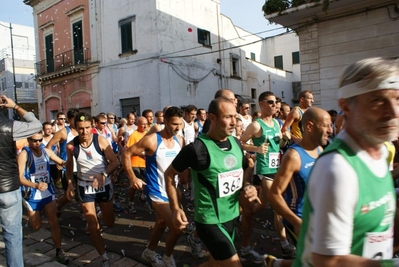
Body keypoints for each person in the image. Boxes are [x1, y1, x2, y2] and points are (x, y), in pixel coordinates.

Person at [293, 57, 399, 267]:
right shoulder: (338, 168)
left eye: (397, 99)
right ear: (346, 106)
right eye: (377, 100)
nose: (393, 112)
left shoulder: (380, 150)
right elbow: (327, 261)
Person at [164, 98, 260, 267]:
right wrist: (176, 208)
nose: (234, 122)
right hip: (210, 221)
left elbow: (244, 171)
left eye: (235, 117)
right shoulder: (196, 149)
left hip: (231, 217)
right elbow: (169, 175)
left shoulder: (236, 143)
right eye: (228, 117)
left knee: (215, 264)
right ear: (212, 118)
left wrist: (247, 186)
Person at [265, 107, 332, 267]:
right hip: (301, 219)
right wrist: (296, 221)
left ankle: (276, 264)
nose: (331, 130)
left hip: (319, 218)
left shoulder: (319, 149)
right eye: (326, 125)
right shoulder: (293, 156)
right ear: (309, 127)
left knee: (317, 261)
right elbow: (274, 195)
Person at [123, 107, 185, 267]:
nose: (177, 128)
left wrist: (183, 181)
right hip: (156, 191)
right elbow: (126, 153)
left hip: (172, 191)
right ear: (164, 122)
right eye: (174, 124)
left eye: (180, 124)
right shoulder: (152, 140)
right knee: (177, 226)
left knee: (161, 223)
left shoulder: (180, 140)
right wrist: (132, 177)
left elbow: (181, 166)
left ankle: (149, 252)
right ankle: (167, 258)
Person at [239, 91, 295, 263]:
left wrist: (285, 139)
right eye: (270, 102)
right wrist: (255, 150)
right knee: (278, 207)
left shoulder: (277, 124)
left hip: (276, 168)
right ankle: (286, 246)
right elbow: (240, 141)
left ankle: (244, 216)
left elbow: (278, 145)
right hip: (264, 170)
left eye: (275, 102)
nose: (274, 105)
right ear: (261, 104)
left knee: (262, 205)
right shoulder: (256, 125)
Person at [65, 112, 119, 267]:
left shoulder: (100, 141)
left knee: (109, 223)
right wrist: (69, 183)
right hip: (84, 187)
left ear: (92, 126)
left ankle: (101, 214)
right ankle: (104, 257)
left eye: (87, 127)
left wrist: (103, 174)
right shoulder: (72, 145)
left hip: (104, 185)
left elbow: (115, 162)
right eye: (81, 128)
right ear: (75, 128)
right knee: (93, 226)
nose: (85, 132)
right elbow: (69, 165)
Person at [0, 95, 42, 267]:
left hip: (8, 187)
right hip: (8, 188)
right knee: (12, 238)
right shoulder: (9, 126)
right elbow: (36, 125)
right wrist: (16, 106)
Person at [18, 131, 69, 264]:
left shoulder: (46, 151)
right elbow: (19, 178)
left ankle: (59, 251)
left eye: (40, 140)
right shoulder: (24, 154)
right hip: (31, 193)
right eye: (35, 141)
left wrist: (71, 163)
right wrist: (35, 185)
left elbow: (62, 162)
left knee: (54, 221)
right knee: (36, 226)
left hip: (47, 192)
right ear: (28, 141)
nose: (38, 143)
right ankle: (31, 220)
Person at [125, 116, 148, 214]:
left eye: (146, 123)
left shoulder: (148, 135)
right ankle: (130, 202)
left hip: (145, 164)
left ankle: (143, 197)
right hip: (135, 163)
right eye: (142, 124)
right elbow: (127, 151)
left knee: (147, 183)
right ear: (138, 124)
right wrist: (141, 154)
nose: (145, 125)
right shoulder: (134, 135)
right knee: (134, 186)